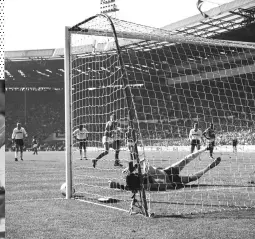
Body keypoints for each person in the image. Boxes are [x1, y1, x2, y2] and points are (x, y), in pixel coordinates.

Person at [109, 147, 221, 191]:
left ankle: (208, 168)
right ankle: (204, 149)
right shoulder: (146, 178)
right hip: (167, 173)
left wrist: (116, 185)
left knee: (191, 178)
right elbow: (141, 163)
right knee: (186, 160)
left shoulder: (143, 185)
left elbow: (127, 187)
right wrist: (132, 168)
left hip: (170, 180)